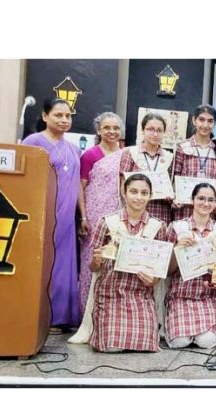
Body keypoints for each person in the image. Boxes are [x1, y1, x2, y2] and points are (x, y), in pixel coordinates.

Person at [86, 174, 167, 352]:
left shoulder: (158, 226)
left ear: (150, 196)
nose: (139, 197)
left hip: (140, 295)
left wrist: (152, 280)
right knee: (111, 348)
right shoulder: (107, 222)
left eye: (144, 193)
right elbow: (93, 267)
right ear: (124, 193)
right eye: (134, 191)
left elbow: (159, 271)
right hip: (110, 293)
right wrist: (97, 260)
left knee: (145, 346)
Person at [22, 99, 81, 330]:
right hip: (43, 216)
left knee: (63, 265)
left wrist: (82, 216)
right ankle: (37, 316)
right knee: (42, 264)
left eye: (67, 116)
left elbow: (78, 185)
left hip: (67, 218)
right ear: (45, 116)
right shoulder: (34, 142)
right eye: (58, 115)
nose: (64, 120)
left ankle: (60, 317)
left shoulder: (74, 148)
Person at [165, 183, 216, 349]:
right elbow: (169, 271)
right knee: (179, 342)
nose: (205, 203)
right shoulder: (177, 228)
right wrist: (177, 249)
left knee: (207, 341)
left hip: (208, 297)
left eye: (210, 200)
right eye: (201, 198)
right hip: (181, 296)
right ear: (192, 200)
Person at [77, 112, 125, 314]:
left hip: (119, 215)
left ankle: (109, 313)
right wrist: (84, 216)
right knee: (93, 259)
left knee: (116, 261)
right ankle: (86, 313)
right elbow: (81, 186)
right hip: (95, 216)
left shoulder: (126, 154)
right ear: (98, 130)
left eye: (115, 128)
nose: (112, 131)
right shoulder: (90, 155)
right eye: (107, 128)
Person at [171, 104, 216, 221]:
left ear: (214, 123)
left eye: (210, 121)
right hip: (185, 208)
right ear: (194, 120)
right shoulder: (182, 147)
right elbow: (175, 177)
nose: (205, 125)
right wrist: (174, 198)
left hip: (209, 209)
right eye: (201, 120)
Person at [120, 112, 174, 224]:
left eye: (159, 130)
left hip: (160, 211)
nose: (155, 134)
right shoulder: (130, 153)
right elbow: (122, 184)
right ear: (143, 130)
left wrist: (172, 196)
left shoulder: (170, 157)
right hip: (134, 211)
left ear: (164, 132)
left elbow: (172, 185)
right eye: (150, 129)